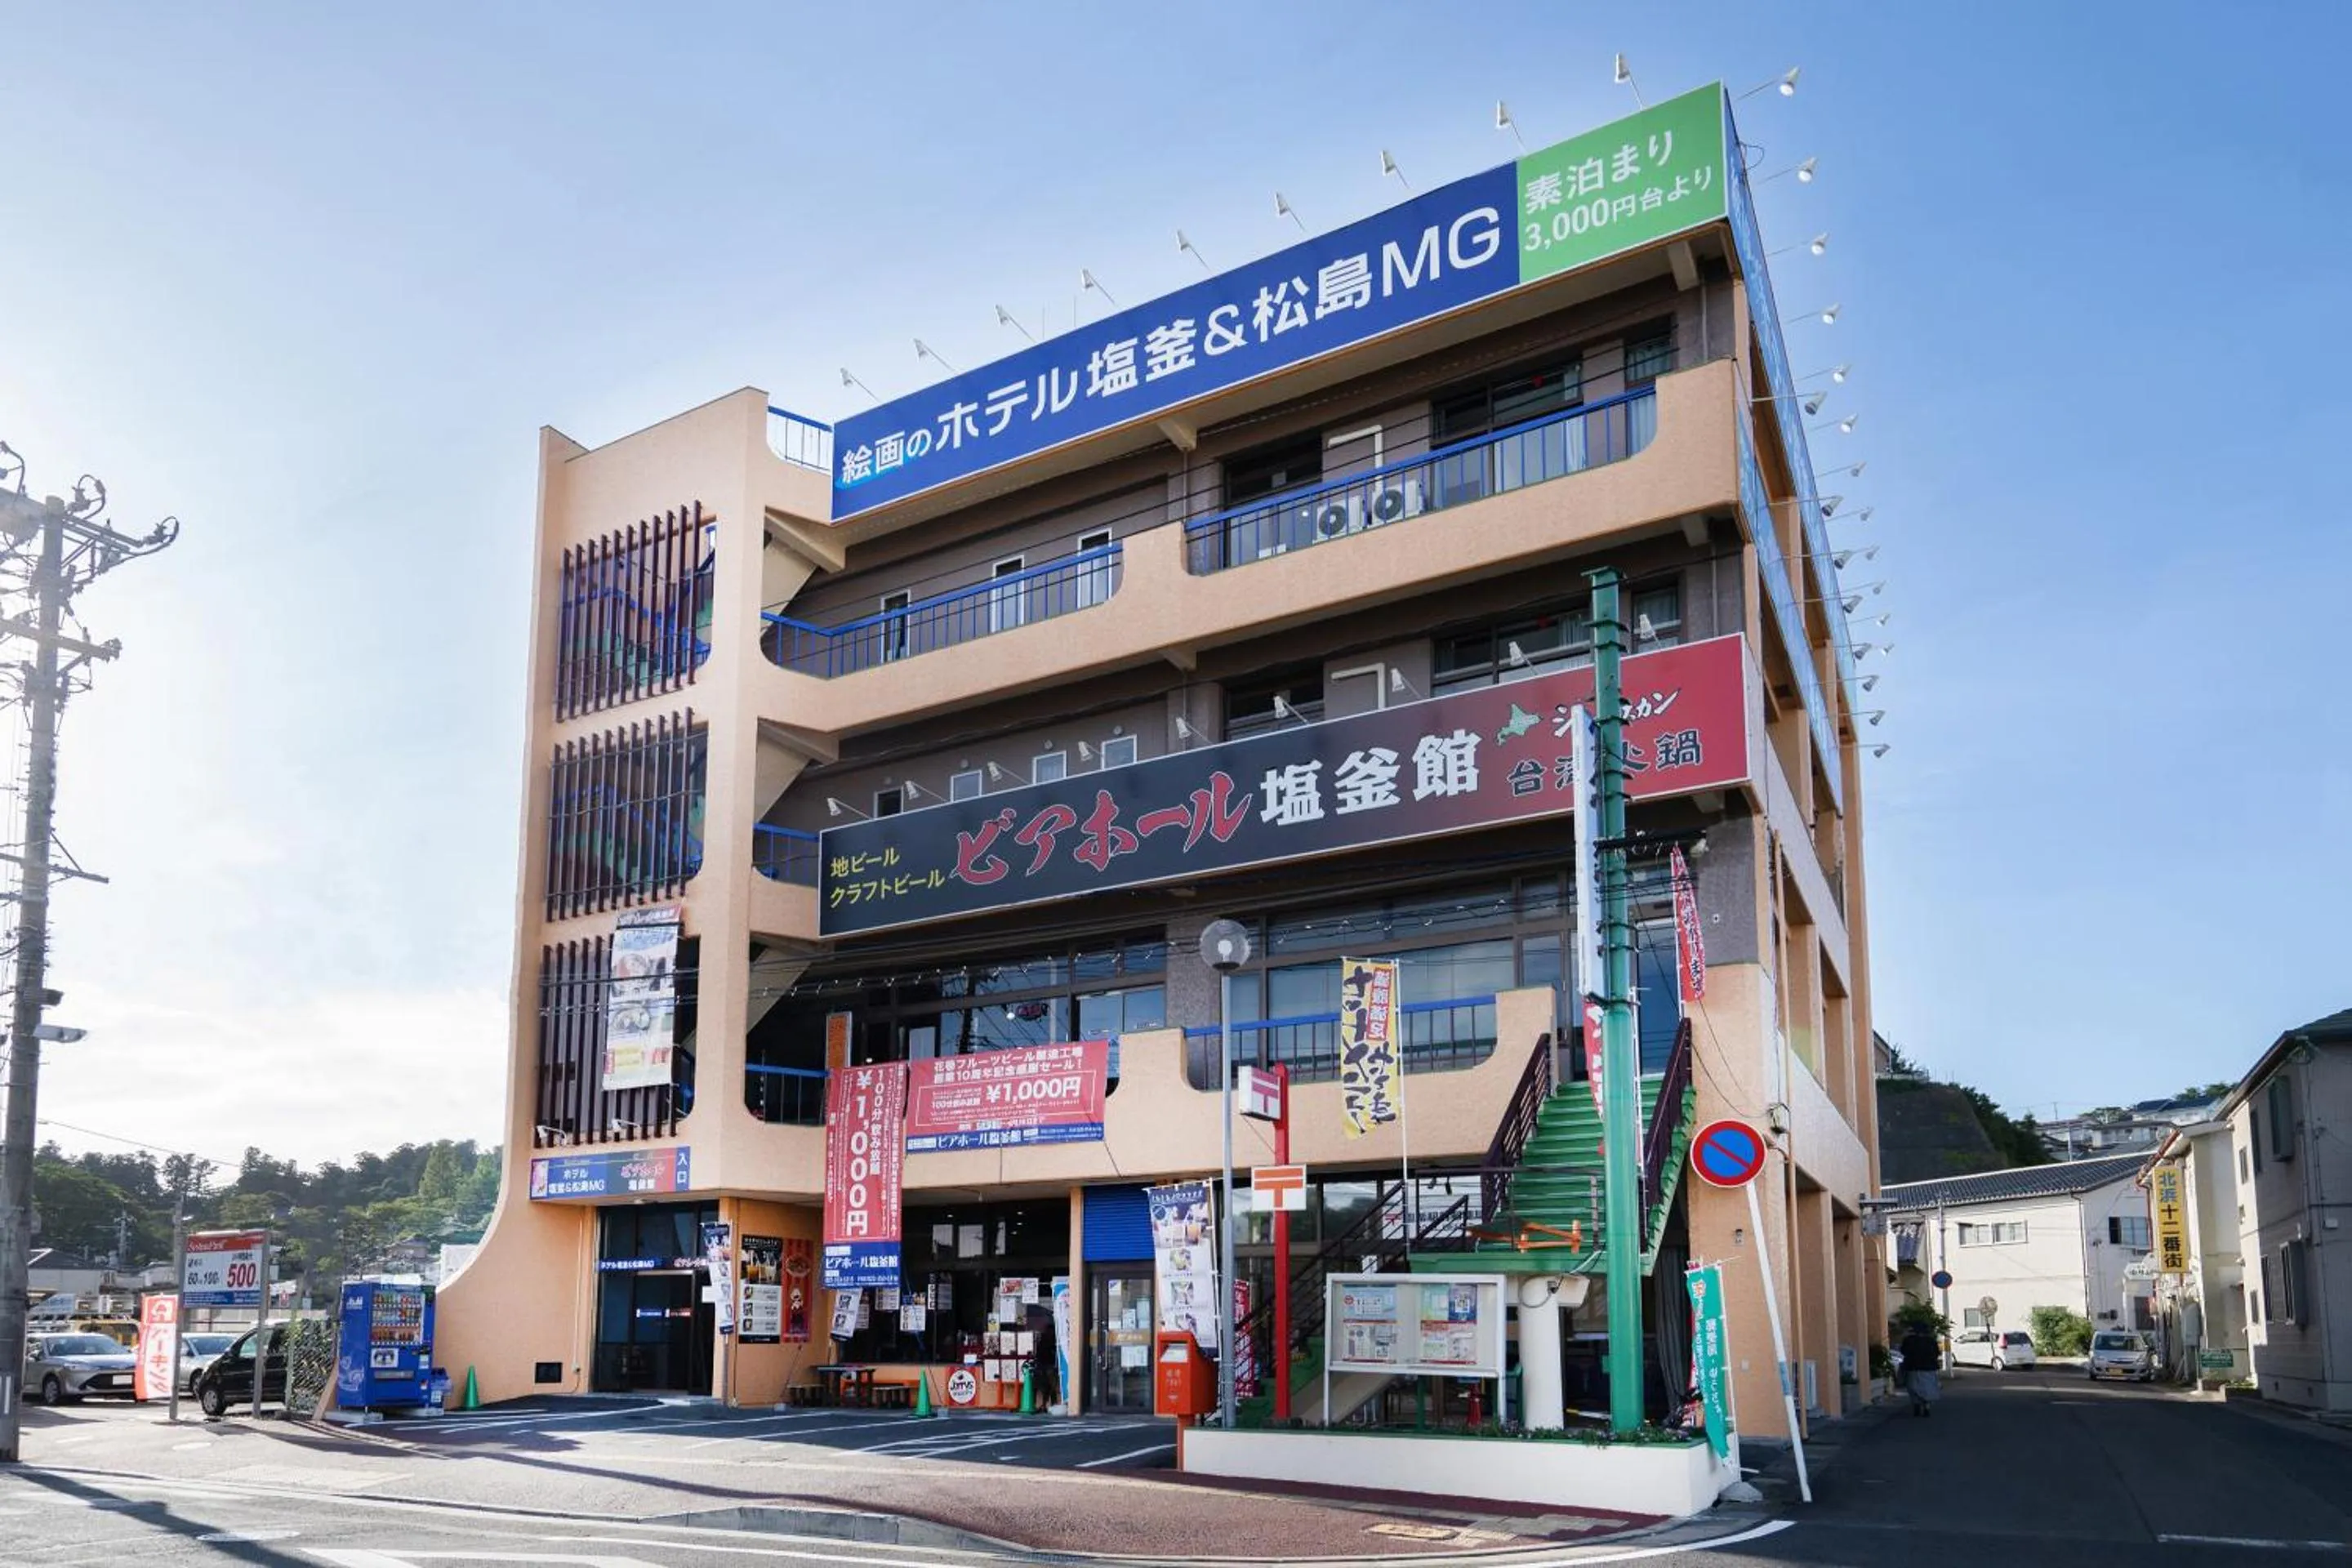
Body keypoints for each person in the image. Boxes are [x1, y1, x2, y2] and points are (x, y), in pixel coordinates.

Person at [1899, 1321, 1944, 1416]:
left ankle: (1916, 1405)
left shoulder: (1909, 1340)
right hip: (1929, 1368)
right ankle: (1926, 1405)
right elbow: (1937, 1353)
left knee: (1913, 1388)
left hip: (1913, 1368)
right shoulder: (1931, 1341)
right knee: (1928, 1387)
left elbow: (1903, 1351)